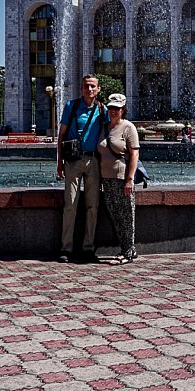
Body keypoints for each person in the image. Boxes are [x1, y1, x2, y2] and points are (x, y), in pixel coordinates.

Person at [56, 74, 107, 263]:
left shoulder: (102, 109)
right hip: (73, 161)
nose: (89, 89)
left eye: (93, 86)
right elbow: (61, 136)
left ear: (98, 89)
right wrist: (59, 162)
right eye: (86, 86)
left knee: (92, 206)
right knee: (70, 205)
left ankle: (88, 248)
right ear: (81, 88)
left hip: (94, 161)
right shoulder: (72, 106)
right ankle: (66, 248)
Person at [98, 93, 140, 264]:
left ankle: (128, 252)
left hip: (122, 179)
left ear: (123, 110)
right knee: (115, 215)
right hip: (106, 179)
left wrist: (129, 179)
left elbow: (134, 153)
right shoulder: (104, 127)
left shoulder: (128, 127)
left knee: (127, 215)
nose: (113, 111)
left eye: (116, 108)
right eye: (110, 108)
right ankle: (128, 250)